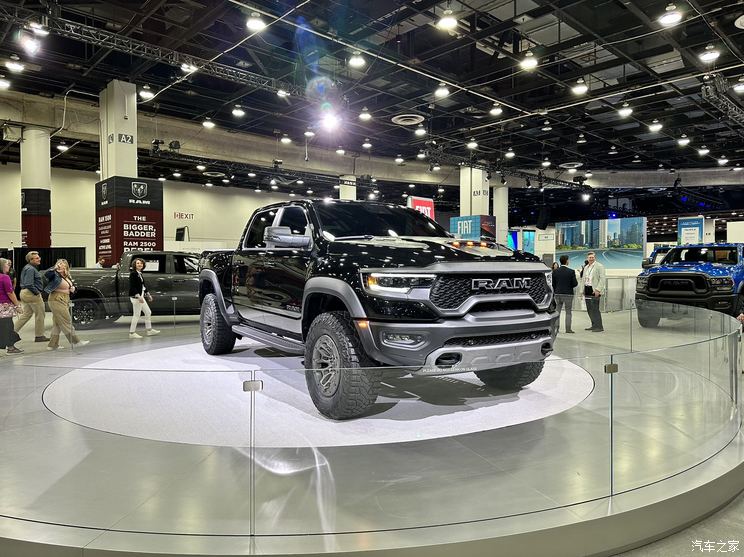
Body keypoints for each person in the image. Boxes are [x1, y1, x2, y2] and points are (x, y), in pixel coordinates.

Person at [44, 259, 89, 350]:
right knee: (66, 321)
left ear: (66, 267)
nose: (60, 265)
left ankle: (52, 345)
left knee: (57, 324)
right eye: (59, 264)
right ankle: (75, 342)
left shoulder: (67, 276)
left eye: (62, 264)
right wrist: (54, 268)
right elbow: (47, 274)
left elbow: (71, 287)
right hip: (57, 299)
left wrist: (73, 289)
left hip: (65, 299)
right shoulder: (54, 274)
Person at [14, 251, 49, 342]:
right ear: (30, 260)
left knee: (26, 314)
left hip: (24, 293)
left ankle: (11, 332)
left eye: (39, 257)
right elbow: (29, 283)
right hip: (31, 294)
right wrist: (37, 292)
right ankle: (39, 336)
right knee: (40, 314)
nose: (39, 259)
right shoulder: (30, 269)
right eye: (36, 258)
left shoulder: (27, 268)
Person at [128, 257, 160, 339]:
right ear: (134, 265)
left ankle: (149, 330)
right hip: (136, 297)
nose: (140, 264)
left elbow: (143, 286)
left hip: (141, 296)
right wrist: (138, 296)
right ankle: (132, 333)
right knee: (136, 315)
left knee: (148, 312)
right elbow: (132, 287)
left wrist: (148, 294)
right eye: (138, 263)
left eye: (141, 263)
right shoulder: (133, 274)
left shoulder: (140, 273)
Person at [0, 258, 23, 354]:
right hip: (4, 306)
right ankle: (10, 347)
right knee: (8, 326)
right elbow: (10, 292)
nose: (9, 266)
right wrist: (17, 305)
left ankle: (10, 346)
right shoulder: (4, 277)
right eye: (7, 264)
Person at [552, 255, 578, 333]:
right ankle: (568, 329)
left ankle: (556, 329)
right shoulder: (571, 271)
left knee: (557, 312)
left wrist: (557, 289)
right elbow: (575, 283)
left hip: (558, 294)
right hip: (568, 294)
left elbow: (553, 284)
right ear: (567, 261)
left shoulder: (555, 271)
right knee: (568, 312)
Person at [583, 251, 606, 332]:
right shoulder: (586, 267)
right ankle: (594, 325)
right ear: (587, 258)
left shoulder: (600, 266)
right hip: (587, 289)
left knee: (595, 309)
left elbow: (602, 279)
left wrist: (598, 289)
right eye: (590, 257)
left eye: (592, 257)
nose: (591, 259)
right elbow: (583, 279)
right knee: (589, 309)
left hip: (594, 290)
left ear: (595, 258)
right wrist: (582, 290)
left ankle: (599, 327)